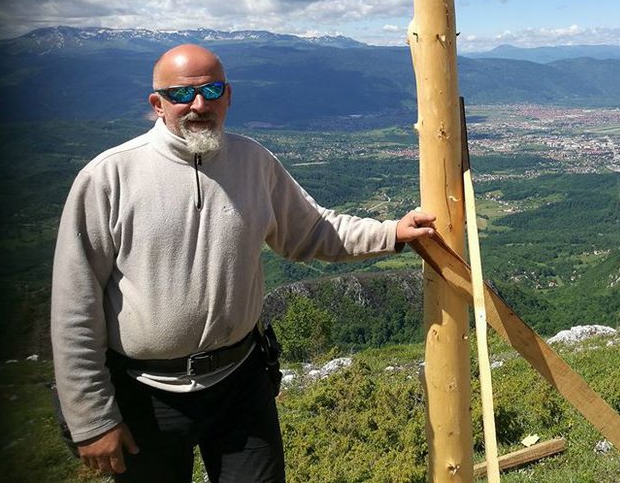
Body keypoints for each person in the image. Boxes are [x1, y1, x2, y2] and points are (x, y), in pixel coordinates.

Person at [50, 43, 436, 482]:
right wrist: (92, 419)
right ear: (157, 104)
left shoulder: (254, 162)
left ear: (228, 96)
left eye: (211, 90)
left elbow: (312, 231)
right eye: (181, 94)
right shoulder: (108, 178)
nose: (199, 105)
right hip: (144, 396)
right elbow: (73, 309)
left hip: (241, 384)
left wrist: (392, 233)